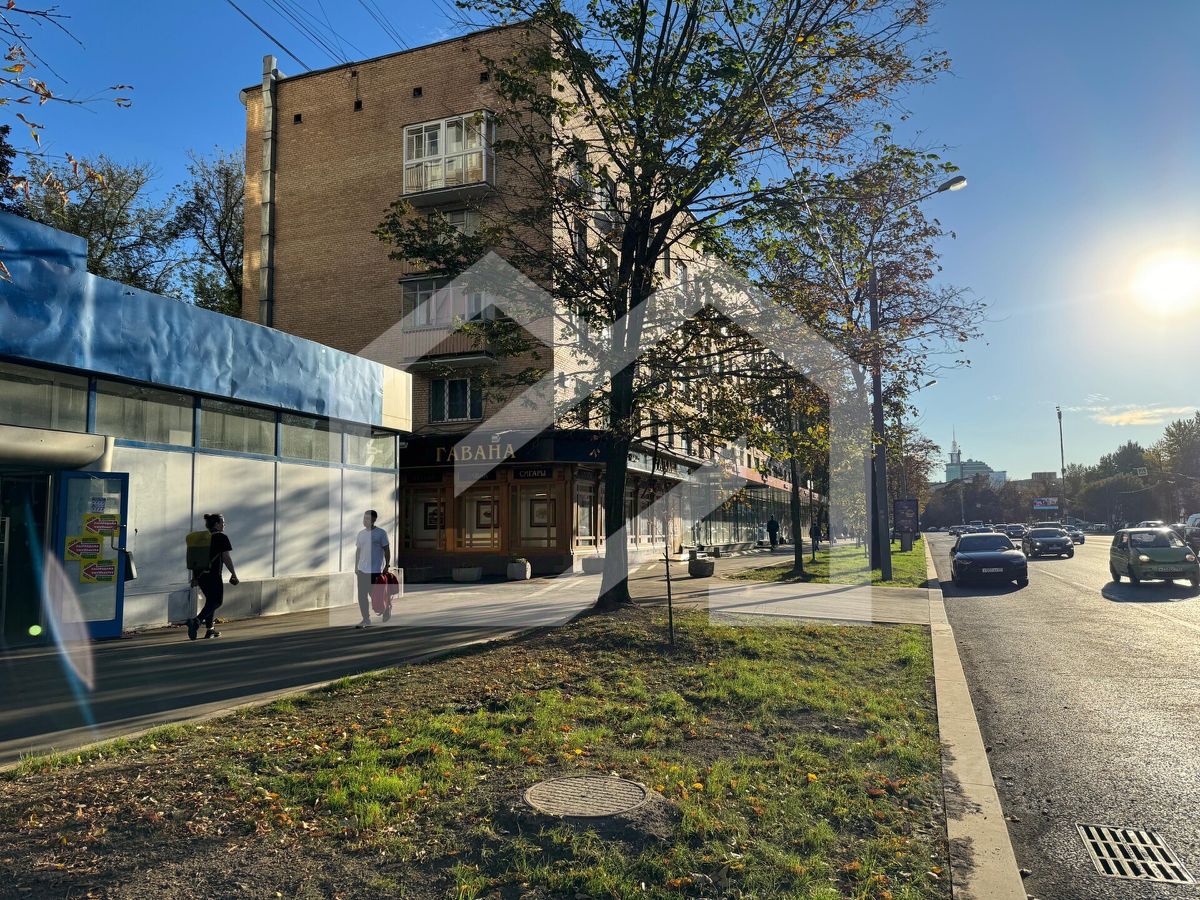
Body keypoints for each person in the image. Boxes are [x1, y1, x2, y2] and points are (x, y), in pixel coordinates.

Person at [188, 513, 238, 640]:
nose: (224, 524)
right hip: (213, 575)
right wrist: (233, 573)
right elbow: (226, 557)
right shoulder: (221, 537)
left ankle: (210, 629)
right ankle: (196, 621)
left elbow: (195, 559)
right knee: (217, 601)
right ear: (216, 524)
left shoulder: (202, 538)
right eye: (222, 522)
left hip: (201, 576)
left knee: (210, 601)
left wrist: (195, 577)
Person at [355, 509, 391, 628]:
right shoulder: (361, 534)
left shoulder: (381, 533)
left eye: (367, 519)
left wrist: (387, 565)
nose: (365, 521)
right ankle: (366, 619)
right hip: (362, 570)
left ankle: (386, 609)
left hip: (375, 570)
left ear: (374, 520)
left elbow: (386, 550)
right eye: (364, 518)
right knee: (362, 596)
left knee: (376, 596)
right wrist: (356, 567)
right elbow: (358, 551)